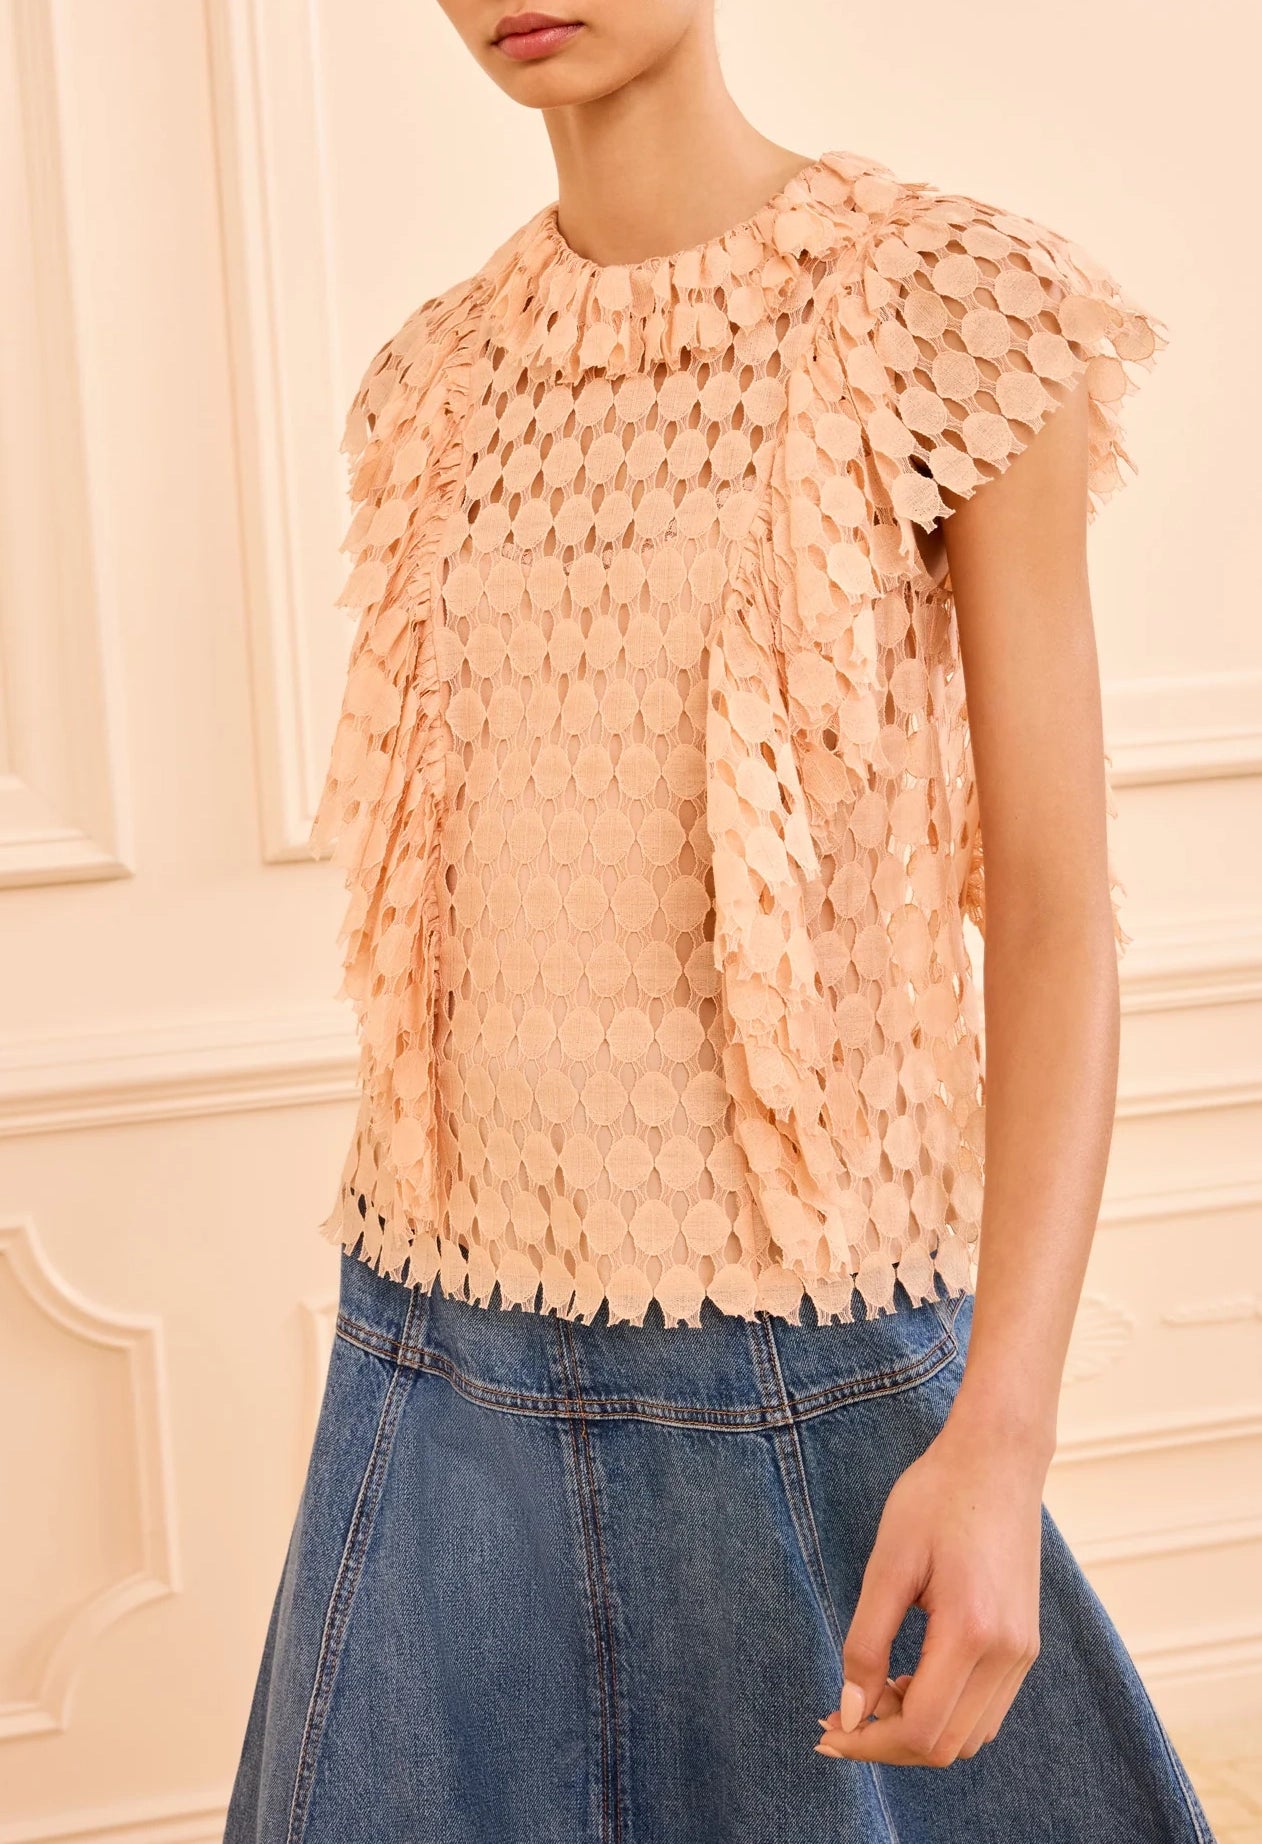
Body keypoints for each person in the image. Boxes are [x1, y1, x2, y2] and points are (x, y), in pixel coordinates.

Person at [225, 5, 1217, 1840]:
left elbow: (1054, 917)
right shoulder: (430, 380)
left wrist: (1001, 1438)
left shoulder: (949, 310)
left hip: (803, 1359)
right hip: (430, 1366)